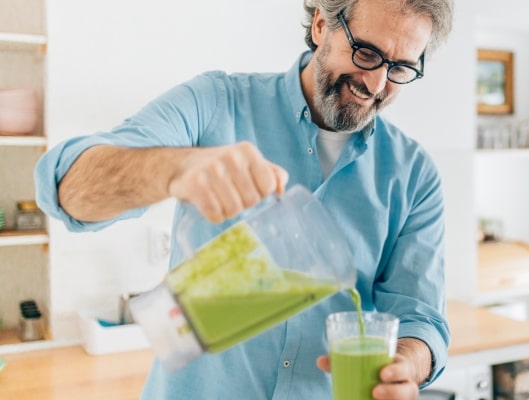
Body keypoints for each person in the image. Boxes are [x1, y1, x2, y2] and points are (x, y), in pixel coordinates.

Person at [34, 0, 454, 399]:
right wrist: (174, 170)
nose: (376, 84)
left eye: (400, 68)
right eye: (366, 53)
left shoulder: (413, 174)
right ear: (322, 24)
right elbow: (68, 190)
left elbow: (422, 317)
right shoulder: (216, 103)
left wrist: (406, 363)